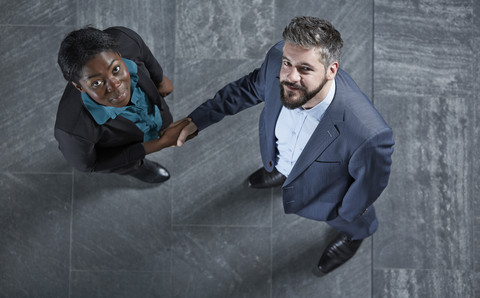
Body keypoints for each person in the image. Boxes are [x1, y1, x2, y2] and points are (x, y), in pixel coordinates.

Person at [177, 17, 394, 275]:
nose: (290, 77)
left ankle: (354, 234)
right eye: (288, 63)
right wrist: (198, 120)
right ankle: (280, 171)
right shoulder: (276, 59)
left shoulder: (369, 135)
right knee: (282, 164)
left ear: (331, 70)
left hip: (328, 195)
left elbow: (368, 186)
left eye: (305, 69)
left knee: (355, 218)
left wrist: (344, 213)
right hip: (282, 157)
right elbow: (247, 89)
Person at [55, 26, 190, 183]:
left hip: (154, 112)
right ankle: (138, 167)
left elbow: (144, 54)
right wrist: (158, 144)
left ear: (119, 55)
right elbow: (89, 165)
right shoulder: (71, 131)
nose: (115, 86)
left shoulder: (125, 39)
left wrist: (159, 79)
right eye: (97, 82)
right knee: (130, 164)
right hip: (122, 147)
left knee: (163, 123)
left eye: (116, 69)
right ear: (79, 87)